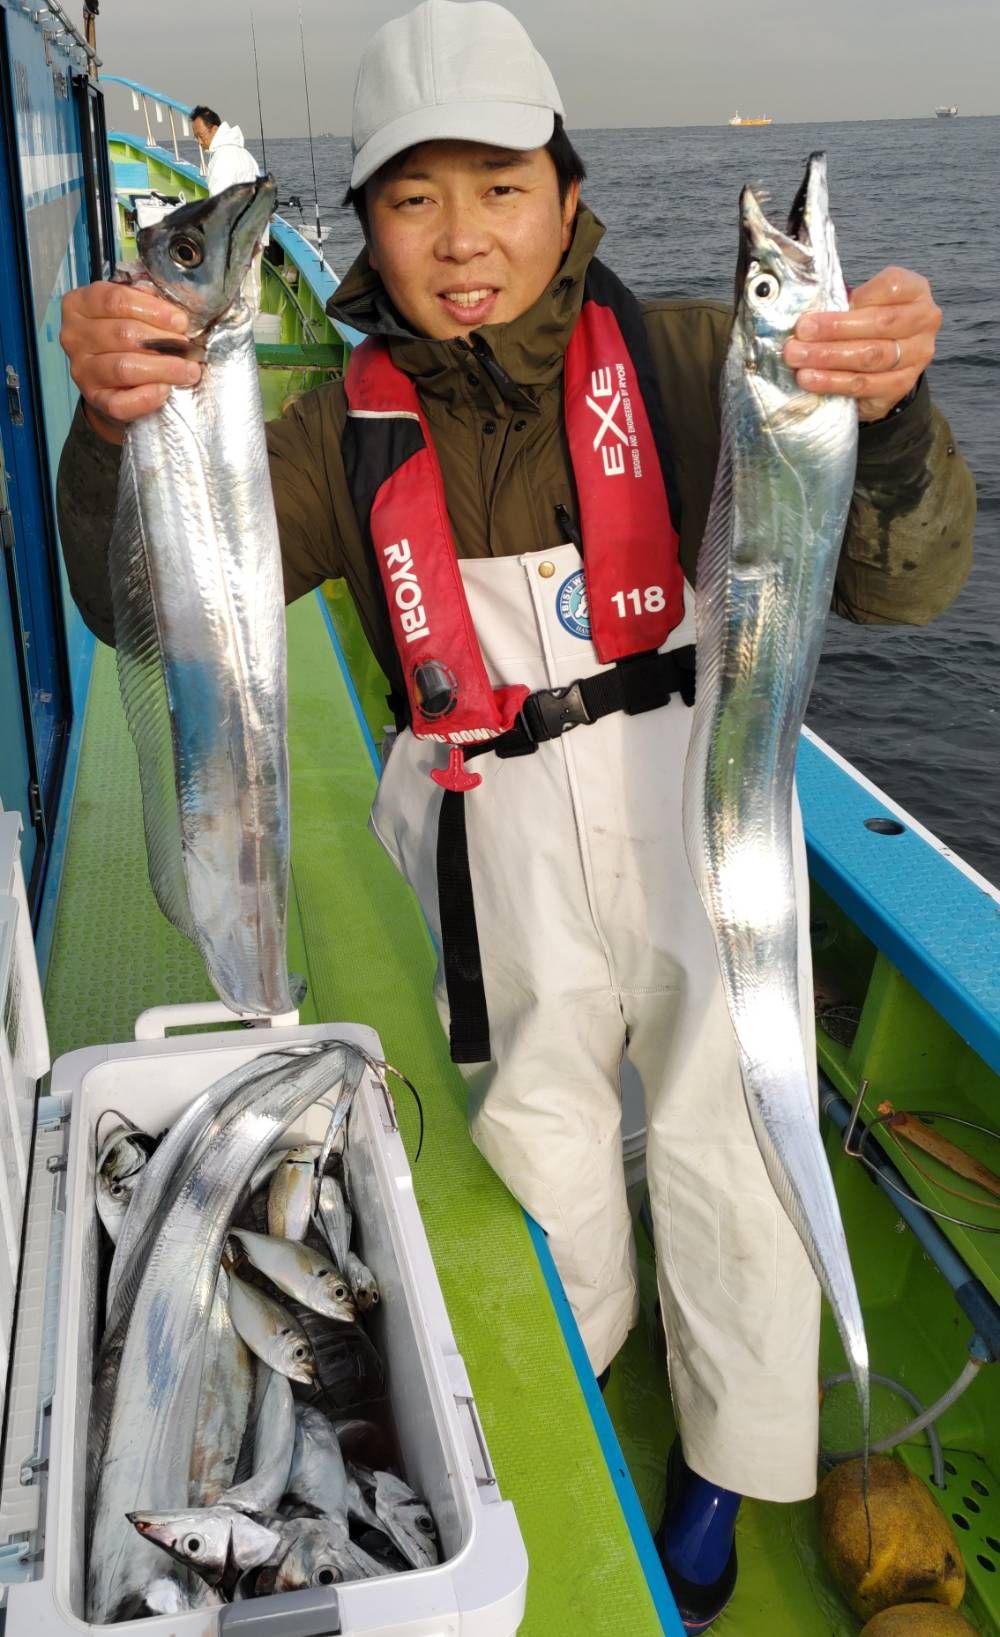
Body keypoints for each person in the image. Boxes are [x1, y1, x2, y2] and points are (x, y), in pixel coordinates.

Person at [57, 2, 974, 1627]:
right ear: (368, 225)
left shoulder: (697, 360)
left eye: (500, 188)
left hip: (699, 806)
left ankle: (730, 1466)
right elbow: (152, 607)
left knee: (731, 1139)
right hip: (490, 841)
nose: (463, 238)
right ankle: (577, 1389)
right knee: (540, 1138)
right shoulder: (332, 434)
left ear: (569, 195)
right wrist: (116, 428)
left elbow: (903, 586)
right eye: (415, 199)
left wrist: (883, 418)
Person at [190, 103, 267, 311]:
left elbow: (219, 204)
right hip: (254, 232)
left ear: (214, 129)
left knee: (235, 294)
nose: (199, 142)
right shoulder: (243, 154)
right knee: (251, 291)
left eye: (201, 135)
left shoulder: (222, 158)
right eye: (196, 137)